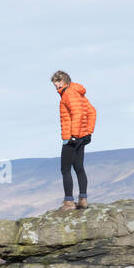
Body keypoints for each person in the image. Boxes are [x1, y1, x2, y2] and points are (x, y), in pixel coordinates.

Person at [51, 70, 96, 210]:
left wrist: (74, 136)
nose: (56, 89)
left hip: (71, 138)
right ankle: (83, 200)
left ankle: (69, 202)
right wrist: (88, 132)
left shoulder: (68, 94)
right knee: (79, 168)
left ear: (64, 82)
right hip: (82, 136)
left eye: (58, 85)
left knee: (65, 169)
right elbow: (92, 111)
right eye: (55, 86)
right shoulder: (79, 93)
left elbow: (77, 114)